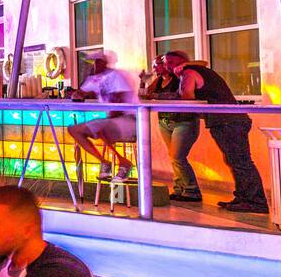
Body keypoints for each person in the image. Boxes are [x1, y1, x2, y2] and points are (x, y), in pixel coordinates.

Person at [162, 50, 267, 213]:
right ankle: (244, 197)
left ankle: (256, 201)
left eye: (171, 63)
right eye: (166, 63)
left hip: (226, 120)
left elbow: (186, 98)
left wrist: (176, 88)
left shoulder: (188, 73)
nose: (168, 67)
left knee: (240, 161)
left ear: (183, 62)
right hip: (231, 119)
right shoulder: (203, 71)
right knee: (234, 160)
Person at [66, 54, 137, 181]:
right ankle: (105, 162)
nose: (94, 64)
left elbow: (119, 102)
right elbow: (81, 92)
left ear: (105, 63)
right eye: (92, 62)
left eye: (97, 61)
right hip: (112, 121)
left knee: (99, 127)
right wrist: (77, 93)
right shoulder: (94, 79)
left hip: (129, 120)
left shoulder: (115, 76)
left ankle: (123, 163)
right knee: (74, 130)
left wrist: (107, 118)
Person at [144, 53, 203, 203]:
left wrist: (184, 65)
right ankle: (179, 189)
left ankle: (192, 190)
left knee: (178, 156)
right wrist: (142, 82)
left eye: (158, 64)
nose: (155, 67)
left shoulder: (180, 76)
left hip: (184, 120)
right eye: (155, 64)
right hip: (165, 120)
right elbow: (145, 95)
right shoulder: (158, 81)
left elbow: (202, 64)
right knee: (173, 157)